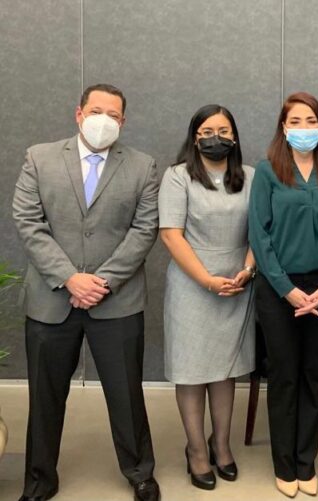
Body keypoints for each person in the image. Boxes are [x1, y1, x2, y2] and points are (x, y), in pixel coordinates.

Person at [12, 84, 160, 501]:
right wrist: (69, 277)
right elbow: (28, 221)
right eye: (96, 111)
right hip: (51, 299)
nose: (103, 120)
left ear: (123, 122)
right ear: (78, 113)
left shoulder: (143, 166)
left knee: (126, 394)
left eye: (113, 115)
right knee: (45, 397)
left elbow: (144, 229)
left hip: (117, 300)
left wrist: (102, 281)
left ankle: (140, 473)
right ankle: (39, 479)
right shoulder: (39, 158)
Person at [248, 91, 318, 498]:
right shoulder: (267, 172)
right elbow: (260, 236)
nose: (303, 128)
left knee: (313, 374)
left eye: (311, 121)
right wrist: (288, 290)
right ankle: (284, 464)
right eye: (295, 121)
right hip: (279, 290)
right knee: (284, 376)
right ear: (283, 127)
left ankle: (306, 461)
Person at [158, 104, 256, 490]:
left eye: (224, 130)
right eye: (208, 131)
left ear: (235, 136)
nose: (217, 137)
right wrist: (207, 280)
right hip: (192, 286)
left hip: (238, 283)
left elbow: (261, 231)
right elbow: (171, 235)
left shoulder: (251, 176)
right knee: (192, 371)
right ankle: (197, 450)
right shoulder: (177, 176)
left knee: (225, 370)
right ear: (194, 137)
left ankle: (222, 444)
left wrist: (248, 269)